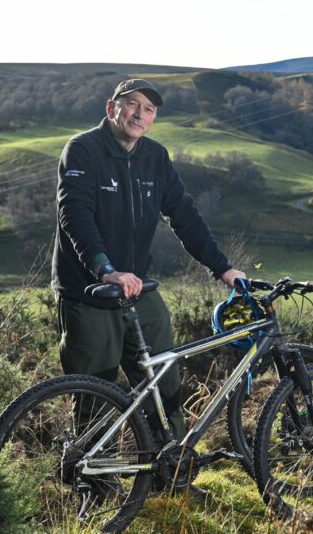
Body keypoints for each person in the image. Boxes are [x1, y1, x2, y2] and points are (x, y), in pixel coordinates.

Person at [52, 78, 246, 446]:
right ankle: (94, 483)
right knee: (96, 394)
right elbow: (74, 214)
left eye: (150, 109)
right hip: (88, 292)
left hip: (138, 288)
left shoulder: (155, 157)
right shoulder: (82, 150)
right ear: (112, 108)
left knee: (165, 381)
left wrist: (223, 268)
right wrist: (105, 269)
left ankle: (169, 472)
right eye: (133, 105)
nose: (140, 114)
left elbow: (184, 215)